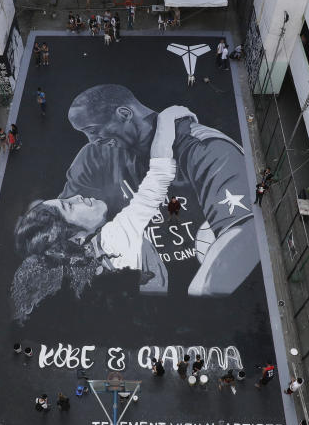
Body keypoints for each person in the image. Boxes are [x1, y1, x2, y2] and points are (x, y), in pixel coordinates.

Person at [62, 85, 257, 297]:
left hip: (194, 282)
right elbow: (62, 225)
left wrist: (200, 296)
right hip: (138, 295)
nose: (92, 140)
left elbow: (245, 231)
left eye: (92, 131)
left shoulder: (206, 148)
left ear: (124, 114)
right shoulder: (92, 157)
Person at [11, 106, 192, 321]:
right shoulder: (113, 240)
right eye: (69, 206)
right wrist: (168, 116)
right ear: (76, 238)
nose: (76, 197)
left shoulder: (80, 269)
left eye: (65, 199)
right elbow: (159, 176)